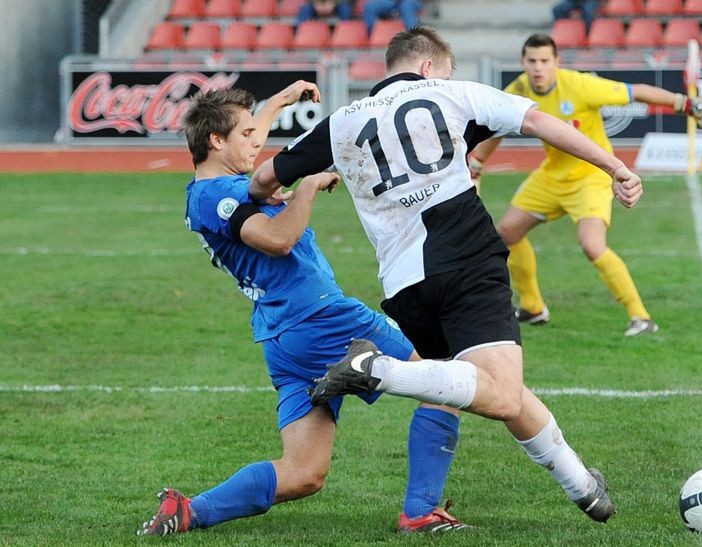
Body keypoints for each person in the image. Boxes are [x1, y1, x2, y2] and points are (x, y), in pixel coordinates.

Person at [249, 27, 647, 525]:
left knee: (456, 389)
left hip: (404, 284)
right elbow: (538, 120)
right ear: (428, 68)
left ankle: (580, 487)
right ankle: (379, 369)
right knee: (501, 391)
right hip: (465, 260)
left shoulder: (342, 122)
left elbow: (263, 179)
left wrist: (269, 196)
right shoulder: (450, 93)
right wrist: (614, 166)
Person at [137, 81, 470, 536]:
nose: (256, 142)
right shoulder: (216, 197)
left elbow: (248, 149)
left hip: (284, 337)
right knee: (443, 385)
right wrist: (307, 187)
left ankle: (189, 511)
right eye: (246, 135)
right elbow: (279, 240)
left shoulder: (215, 186)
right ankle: (420, 512)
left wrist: (278, 101)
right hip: (324, 320)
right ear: (215, 141)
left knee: (303, 473)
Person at [468, 34, 702, 336]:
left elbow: (636, 91)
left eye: (545, 61)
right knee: (507, 233)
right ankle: (533, 307)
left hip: (591, 176)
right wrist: (477, 162)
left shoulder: (580, 85)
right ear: (523, 63)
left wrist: (684, 103)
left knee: (592, 245)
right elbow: (498, 128)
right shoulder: (518, 90)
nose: (538, 68)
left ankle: (641, 318)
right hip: (550, 176)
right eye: (532, 61)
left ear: (556, 62)